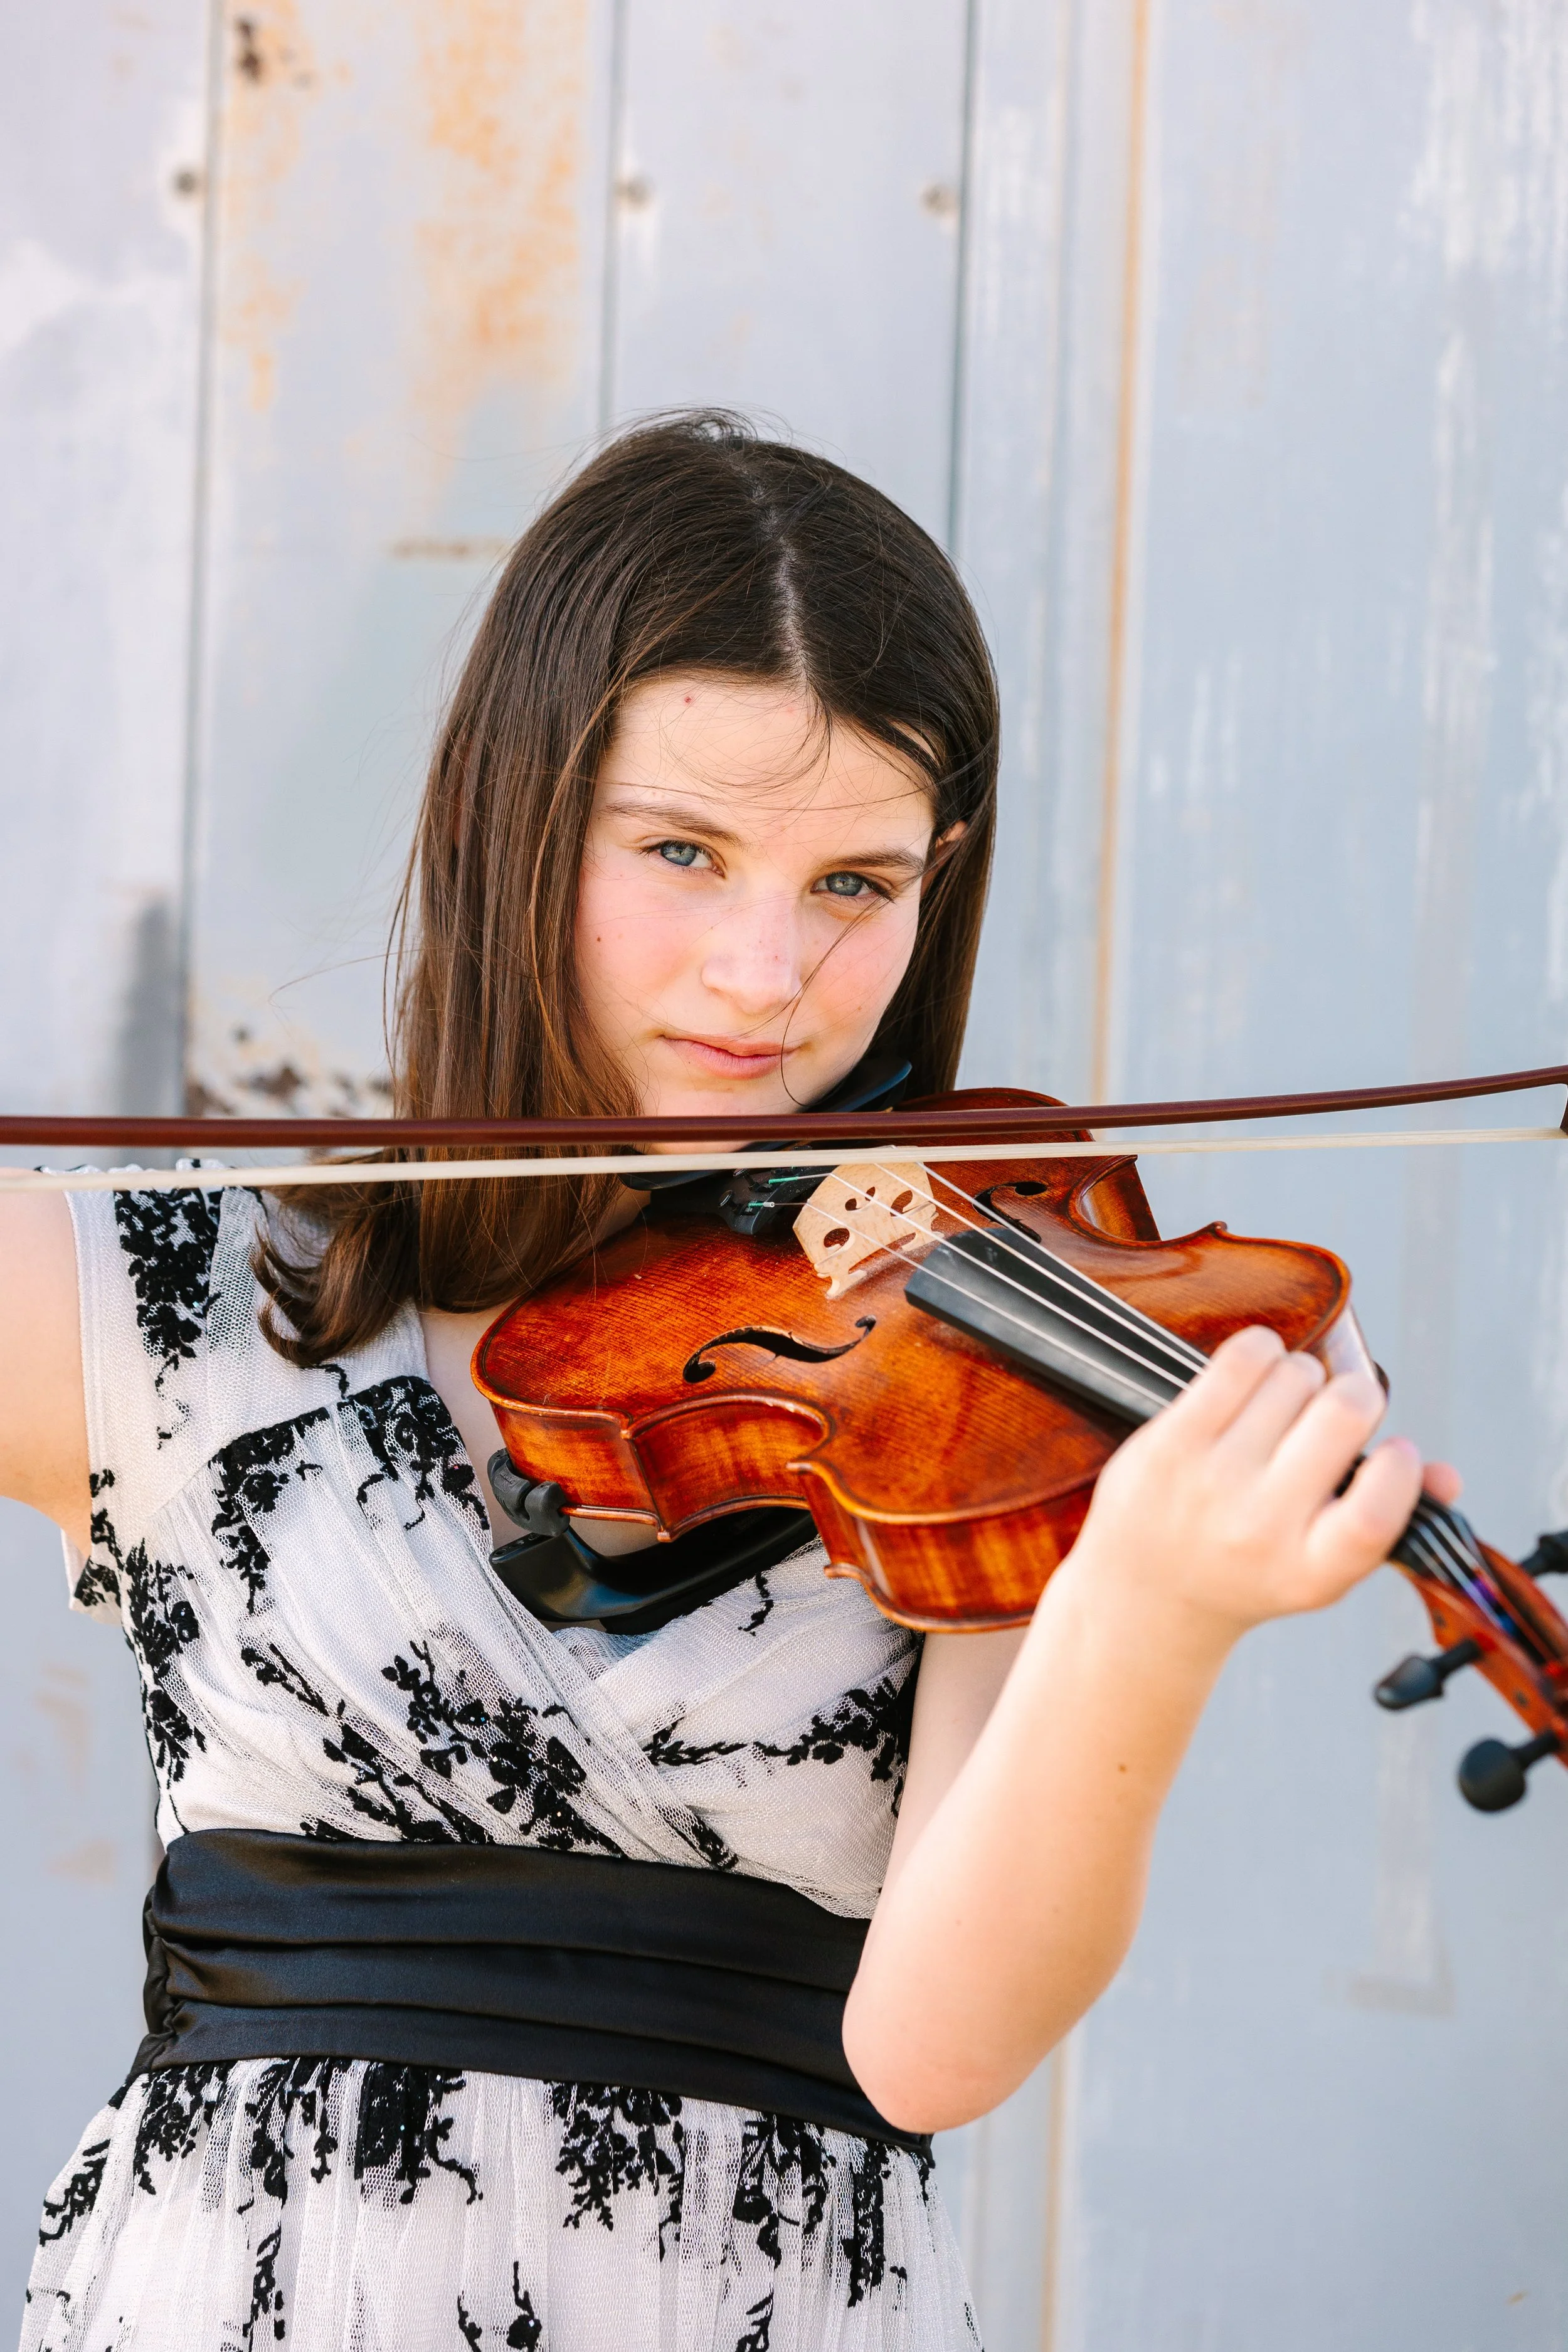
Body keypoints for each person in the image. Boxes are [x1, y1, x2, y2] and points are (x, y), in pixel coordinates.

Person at [0, 413, 1454, 2352]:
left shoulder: (972, 1378)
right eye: (681, 851)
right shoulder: (174, 1300)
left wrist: (1154, 1603)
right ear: (516, 818)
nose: (765, 974)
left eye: (855, 883)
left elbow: (933, 2051)